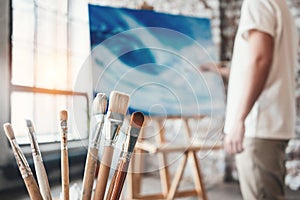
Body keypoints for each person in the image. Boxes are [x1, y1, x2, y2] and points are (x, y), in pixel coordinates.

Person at [223, 0, 299, 200]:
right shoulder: (279, 6)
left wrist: (239, 120)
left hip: (258, 124)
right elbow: (258, 63)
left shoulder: (258, 2)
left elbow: (261, 60)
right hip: (270, 123)